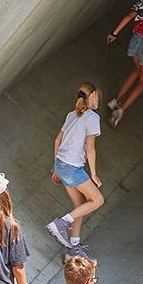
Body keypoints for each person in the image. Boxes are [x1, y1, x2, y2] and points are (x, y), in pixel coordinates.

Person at [48, 82, 104, 252]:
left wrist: (56, 167)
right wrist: (93, 174)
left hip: (62, 165)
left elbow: (57, 140)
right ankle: (61, 223)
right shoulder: (93, 118)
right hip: (72, 168)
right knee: (98, 200)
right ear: (93, 95)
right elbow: (90, 148)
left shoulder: (71, 115)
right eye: (98, 97)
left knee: (80, 206)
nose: (98, 101)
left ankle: (73, 248)